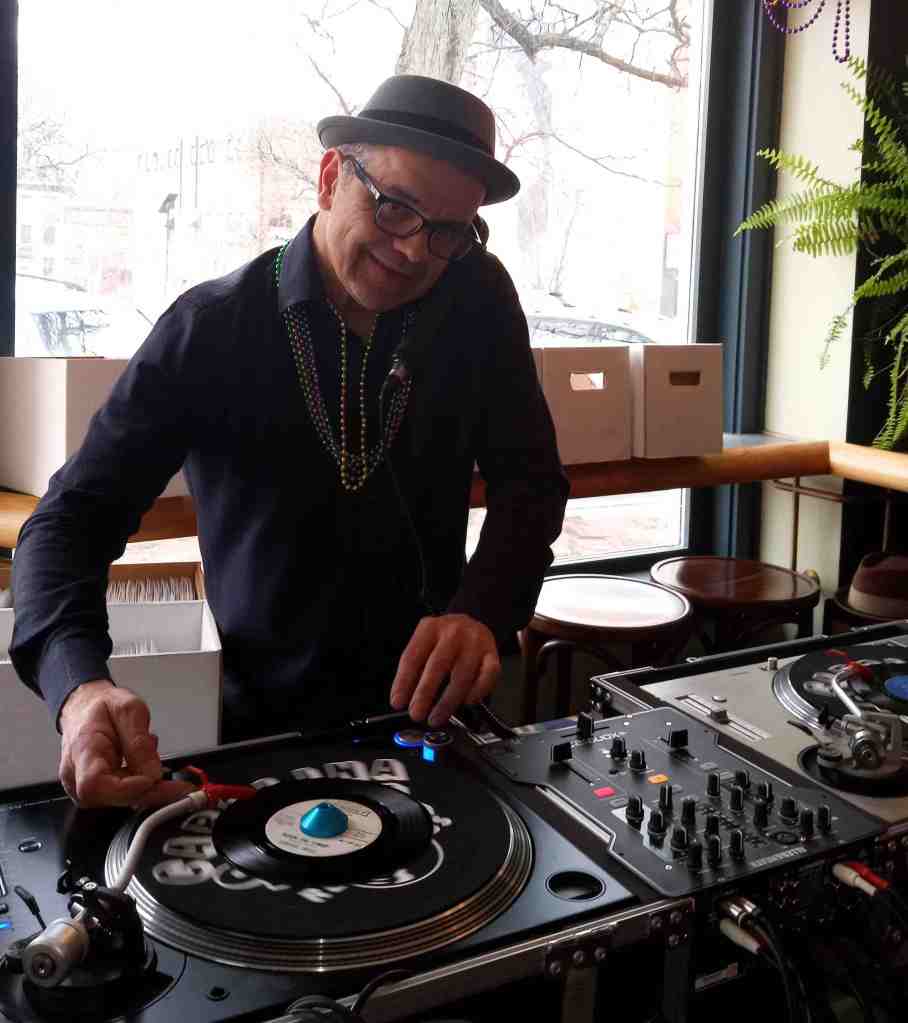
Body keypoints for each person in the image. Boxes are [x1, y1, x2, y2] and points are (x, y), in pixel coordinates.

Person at [10, 74, 568, 809]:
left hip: (433, 714)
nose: (413, 250)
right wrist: (79, 686)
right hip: (260, 731)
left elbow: (533, 484)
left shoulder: (479, 296)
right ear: (331, 176)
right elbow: (67, 523)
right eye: (395, 206)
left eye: (447, 231)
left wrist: (482, 609)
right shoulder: (210, 328)